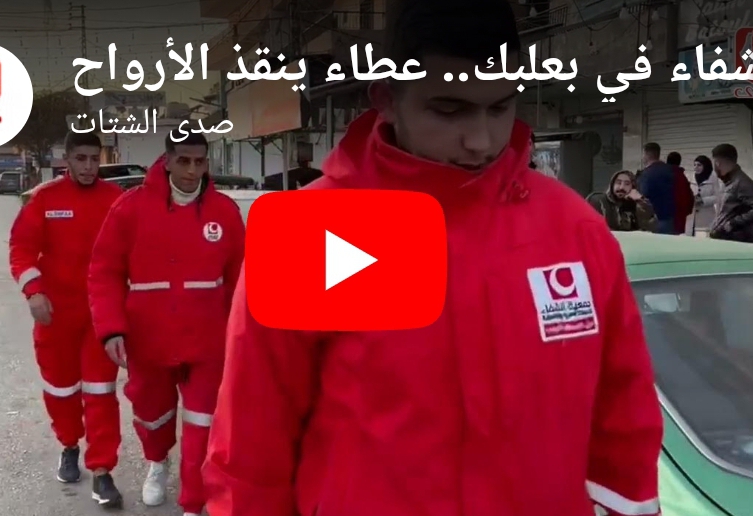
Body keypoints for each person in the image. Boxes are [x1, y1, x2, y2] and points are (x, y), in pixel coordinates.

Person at [202, 1, 663, 515]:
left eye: (500, 107)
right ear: (386, 98)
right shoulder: (312, 233)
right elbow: (251, 442)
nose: (481, 140)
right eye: (449, 110)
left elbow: (624, 418)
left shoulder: (574, 230)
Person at [88, 131, 245, 516]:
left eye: (199, 162)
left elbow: (242, 278)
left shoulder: (224, 212)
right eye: (184, 161)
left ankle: (193, 501)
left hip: (208, 341)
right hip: (148, 340)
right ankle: (157, 462)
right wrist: (111, 329)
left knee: (202, 421)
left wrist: (241, 336)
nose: (192, 171)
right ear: (168, 161)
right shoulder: (130, 208)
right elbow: (104, 271)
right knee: (151, 414)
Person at [8, 132, 125, 507]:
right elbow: (21, 248)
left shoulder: (116, 200)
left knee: (101, 392)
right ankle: (69, 445)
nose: (89, 167)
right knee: (61, 390)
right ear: (68, 160)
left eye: (94, 159)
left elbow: (132, 252)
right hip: (55, 315)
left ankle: (103, 470)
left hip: (100, 315)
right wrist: (33, 291)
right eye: (81, 159)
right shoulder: (45, 199)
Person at [709, 143, 753, 243]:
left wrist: (734, 223)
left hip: (737, 241)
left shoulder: (742, 183)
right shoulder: (728, 182)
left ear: (718, 163)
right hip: (725, 239)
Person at [586, 170, 657, 232]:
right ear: (612, 184)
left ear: (632, 187)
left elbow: (649, 228)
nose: (621, 187)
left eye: (627, 184)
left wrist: (640, 200)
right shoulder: (598, 200)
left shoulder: (633, 205)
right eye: (618, 183)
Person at [637, 142, 676, 234]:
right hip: (669, 218)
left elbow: (642, 195)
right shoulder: (670, 170)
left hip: (653, 219)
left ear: (646, 154)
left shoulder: (646, 174)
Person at [666, 152, 695, 235]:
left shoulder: (663, 175)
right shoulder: (682, 177)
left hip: (665, 217)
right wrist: (686, 212)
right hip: (680, 217)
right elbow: (690, 197)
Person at [693, 155, 721, 232]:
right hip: (692, 217)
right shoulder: (692, 177)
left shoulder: (713, 178)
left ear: (705, 166)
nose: (696, 167)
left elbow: (718, 197)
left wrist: (703, 200)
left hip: (706, 216)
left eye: (699, 165)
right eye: (694, 165)